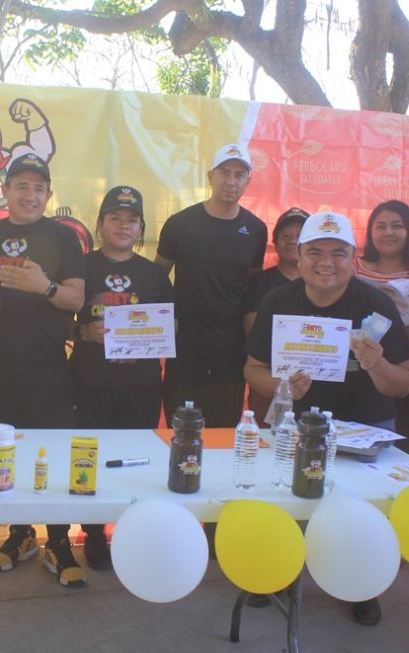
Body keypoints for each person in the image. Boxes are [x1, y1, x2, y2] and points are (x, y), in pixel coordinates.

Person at [244, 211, 409, 625]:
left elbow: (403, 385)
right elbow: (252, 370)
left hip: (366, 428)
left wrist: (376, 365)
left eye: (338, 253)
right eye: (315, 252)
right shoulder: (277, 302)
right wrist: (283, 387)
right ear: (298, 256)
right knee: (281, 503)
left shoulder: (376, 305)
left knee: (363, 514)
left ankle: (363, 585)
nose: (326, 262)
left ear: (353, 258)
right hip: (295, 426)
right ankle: (276, 570)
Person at [0, 153, 87, 587]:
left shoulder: (63, 237)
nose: (30, 195)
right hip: (0, 366)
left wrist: (45, 287)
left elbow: (76, 299)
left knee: (52, 453)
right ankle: (20, 535)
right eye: (21, 186)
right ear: (5, 190)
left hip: (51, 366)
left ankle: (59, 541)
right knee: (6, 453)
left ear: (49, 195)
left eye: (39, 188)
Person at [69, 185, 174, 569]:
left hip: (139, 387)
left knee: (136, 462)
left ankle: (132, 532)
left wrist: (145, 344)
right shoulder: (80, 267)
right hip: (89, 384)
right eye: (116, 218)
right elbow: (55, 320)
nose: (124, 226)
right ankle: (94, 534)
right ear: (100, 224)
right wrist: (82, 332)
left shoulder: (154, 274)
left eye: (132, 220)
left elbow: (171, 326)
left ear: (141, 228)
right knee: (90, 458)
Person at [155, 143, 267, 427]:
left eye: (239, 175)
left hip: (230, 351)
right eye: (224, 172)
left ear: (248, 181)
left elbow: (252, 285)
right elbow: (157, 279)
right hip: (185, 349)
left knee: (223, 434)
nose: (231, 181)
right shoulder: (180, 224)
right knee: (181, 433)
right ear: (210, 176)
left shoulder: (255, 229)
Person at [355, 200, 409, 454]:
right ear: (371, 232)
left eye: (397, 226)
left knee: (399, 448)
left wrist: (392, 337)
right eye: (380, 226)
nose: (388, 233)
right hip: (358, 368)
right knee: (356, 444)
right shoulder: (354, 266)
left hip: (408, 365)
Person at [243, 207, 308, 425]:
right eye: (285, 236)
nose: (292, 241)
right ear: (276, 243)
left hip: (316, 381)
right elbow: (253, 332)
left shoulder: (324, 283)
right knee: (269, 439)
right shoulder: (261, 282)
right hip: (269, 381)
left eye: (299, 235)